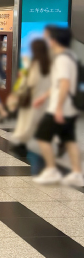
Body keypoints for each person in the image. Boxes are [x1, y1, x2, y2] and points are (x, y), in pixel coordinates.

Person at [32, 26, 83, 186]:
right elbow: (57, 84)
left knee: (42, 136)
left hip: (59, 109)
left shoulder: (61, 59)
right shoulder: (68, 57)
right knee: (69, 139)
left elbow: (64, 84)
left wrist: (59, 108)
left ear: (54, 40)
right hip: (69, 109)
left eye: (48, 37)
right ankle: (76, 173)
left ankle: (52, 170)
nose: (46, 41)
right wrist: (44, 96)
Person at [10, 39, 51, 151]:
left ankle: (22, 144)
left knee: (27, 121)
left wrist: (24, 73)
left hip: (32, 97)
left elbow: (31, 81)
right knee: (39, 122)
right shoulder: (49, 63)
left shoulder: (35, 64)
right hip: (44, 98)